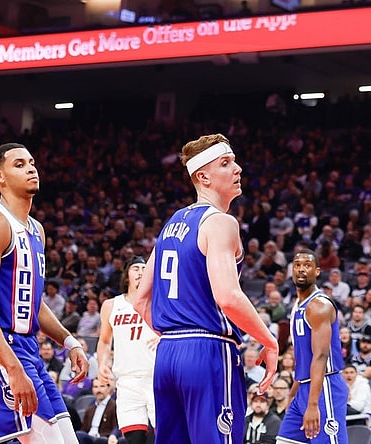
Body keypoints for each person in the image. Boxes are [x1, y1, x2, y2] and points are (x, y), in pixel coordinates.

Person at [133, 134, 279, 443]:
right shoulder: (220, 222)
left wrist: (176, 335)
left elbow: (140, 300)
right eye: (226, 163)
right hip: (208, 349)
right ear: (203, 177)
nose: (237, 168)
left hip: (168, 353)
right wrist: (269, 341)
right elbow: (227, 297)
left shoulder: (171, 223)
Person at [0, 143, 89, 444]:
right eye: (19, 164)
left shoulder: (35, 229)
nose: (31, 168)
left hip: (27, 347)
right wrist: (12, 367)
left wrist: (69, 341)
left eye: (31, 162)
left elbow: (32, 301)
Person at [277, 249, 349, 444]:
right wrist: (294, 393)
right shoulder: (297, 306)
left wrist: (312, 404)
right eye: (297, 265)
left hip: (325, 387)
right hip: (304, 387)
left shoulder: (319, 305)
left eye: (307, 265)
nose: (301, 269)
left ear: (317, 271)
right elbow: (303, 358)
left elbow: (320, 357)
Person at [95, 256, 157, 444]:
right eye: (136, 268)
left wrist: (164, 337)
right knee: (134, 439)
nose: (140, 272)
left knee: (162, 437)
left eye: (144, 269)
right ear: (126, 275)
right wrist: (102, 364)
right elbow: (105, 341)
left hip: (156, 377)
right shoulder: (111, 305)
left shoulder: (159, 303)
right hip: (127, 381)